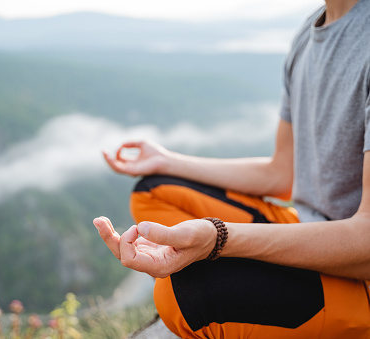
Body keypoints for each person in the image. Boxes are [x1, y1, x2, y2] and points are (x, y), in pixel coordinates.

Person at [93, 0, 370, 338]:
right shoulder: (310, 31)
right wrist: (168, 160)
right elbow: (281, 175)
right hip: (310, 227)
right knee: (155, 189)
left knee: (186, 299)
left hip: (361, 273)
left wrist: (218, 238)